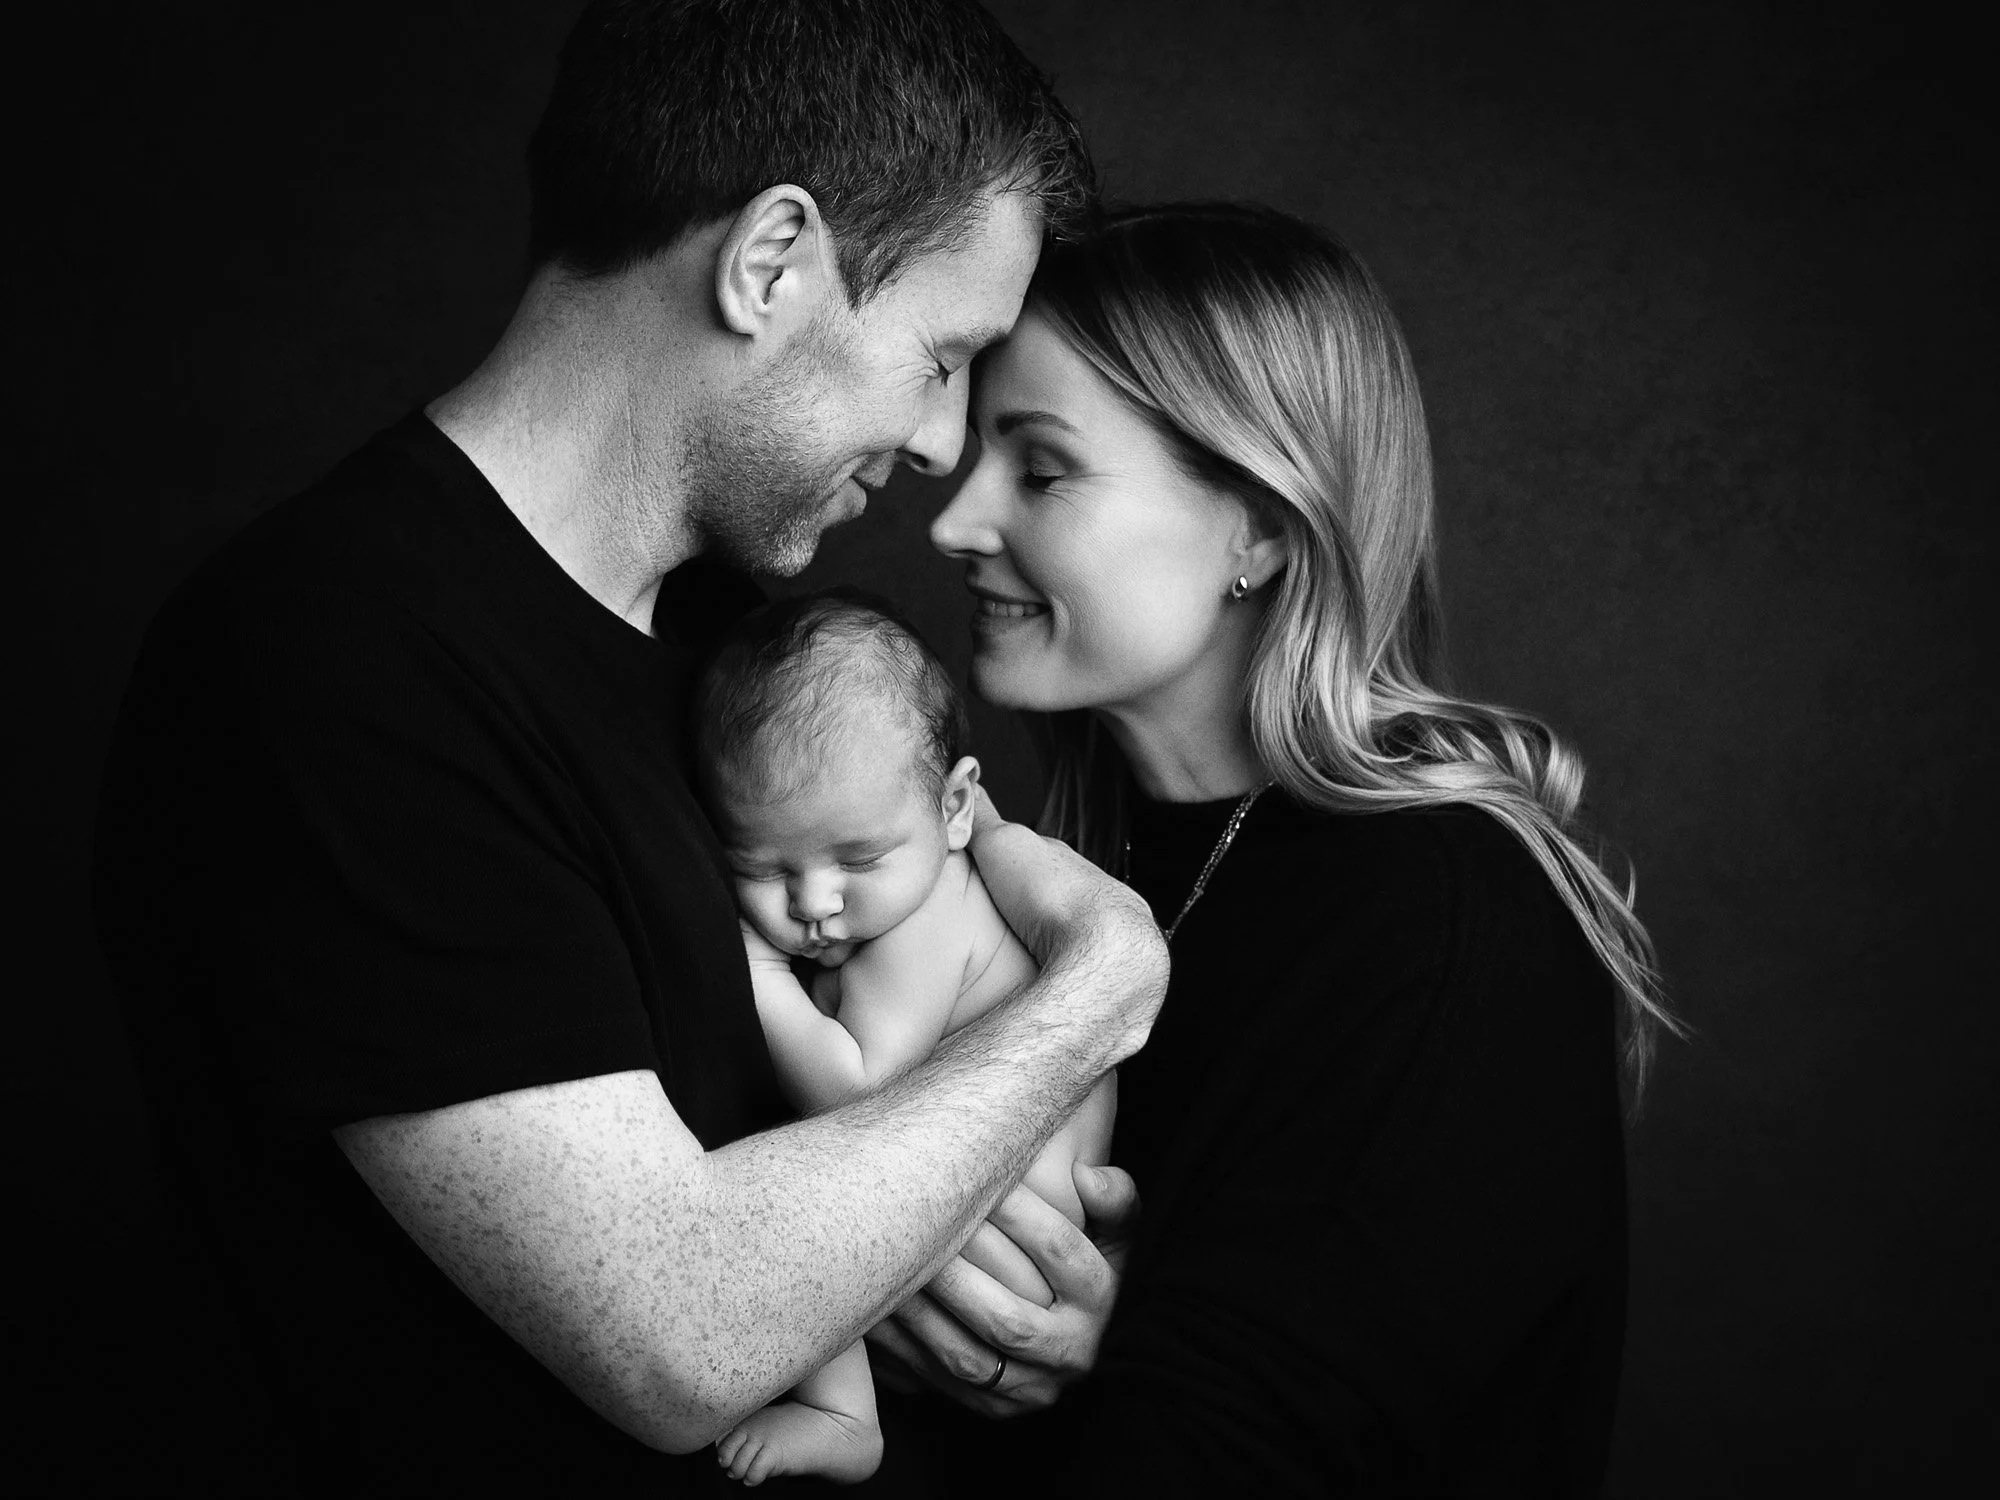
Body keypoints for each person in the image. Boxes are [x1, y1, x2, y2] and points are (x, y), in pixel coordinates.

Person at [89, 4, 1167, 1493]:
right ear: (770, 261)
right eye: (938, 358)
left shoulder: (742, 647)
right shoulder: (333, 663)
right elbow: (682, 1330)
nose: (939, 448)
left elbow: (843, 1156)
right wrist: (1098, 994)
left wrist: (1012, 1297)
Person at [901, 202, 1684, 1495]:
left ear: (1259, 527)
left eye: (1039, 469)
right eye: (975, 450)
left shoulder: (1446, 915)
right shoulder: (1057, 871)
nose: (955, 520)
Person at [690, 590, 1115, 1485]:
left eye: (856, 860)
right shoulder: (908, 887)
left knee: (793, 1174)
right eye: (760, 868)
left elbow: (856, 1092)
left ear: (957, 806)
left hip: (1004, 1242)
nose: (813, 904)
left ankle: (845, 1417)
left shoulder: (925, 923)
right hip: (1003, 1240)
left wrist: (761, 975)